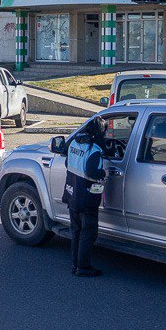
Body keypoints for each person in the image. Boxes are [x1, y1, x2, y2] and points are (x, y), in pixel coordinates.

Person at [62, 116, 108, 277]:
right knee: (88, 232)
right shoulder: (94, 149)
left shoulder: (75, 143)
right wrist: (104, 172)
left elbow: (68, 163)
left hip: (72, 193)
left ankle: (75, 265)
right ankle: (83, 267)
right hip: (86, 197)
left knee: (76, 231)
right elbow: (91, 171)